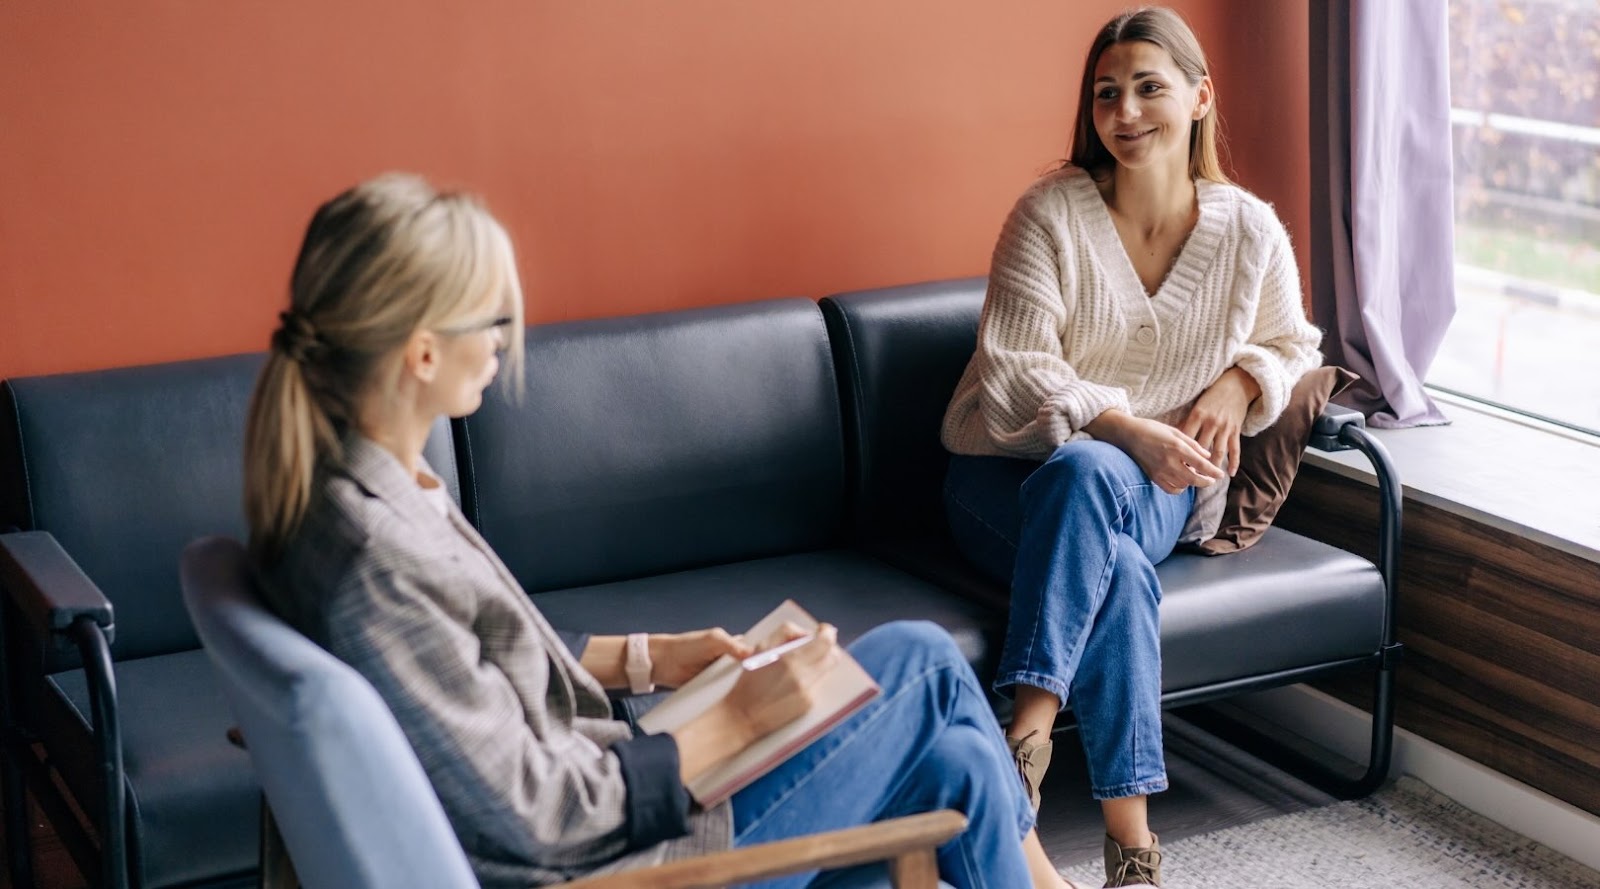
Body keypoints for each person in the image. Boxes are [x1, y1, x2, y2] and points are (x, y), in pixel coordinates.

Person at [243, 173, 1079, 889]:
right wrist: (736, 720)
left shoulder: (365, 493)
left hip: (620, 800)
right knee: (925, 663)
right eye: (488, 318)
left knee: (957, 766)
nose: (504, 338)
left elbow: (476, 658)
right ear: (423, 353)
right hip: (622, 855)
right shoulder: (370, 557)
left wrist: (658, 656)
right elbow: (537, 814)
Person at [939, 7, 1323, 888]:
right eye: (1107, 93)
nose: (1126, 110)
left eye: (1149, 87)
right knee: (1107, 536)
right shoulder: (1049, 216)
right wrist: (1117, 423)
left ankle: (1020, 744)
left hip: (1167, 488)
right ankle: (1133, 851)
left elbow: (1295, 342)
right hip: (1003, 478)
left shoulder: (1249, 231)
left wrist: (1241, 380)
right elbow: (1008, 371)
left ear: (1199, 96)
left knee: (1095, 485)